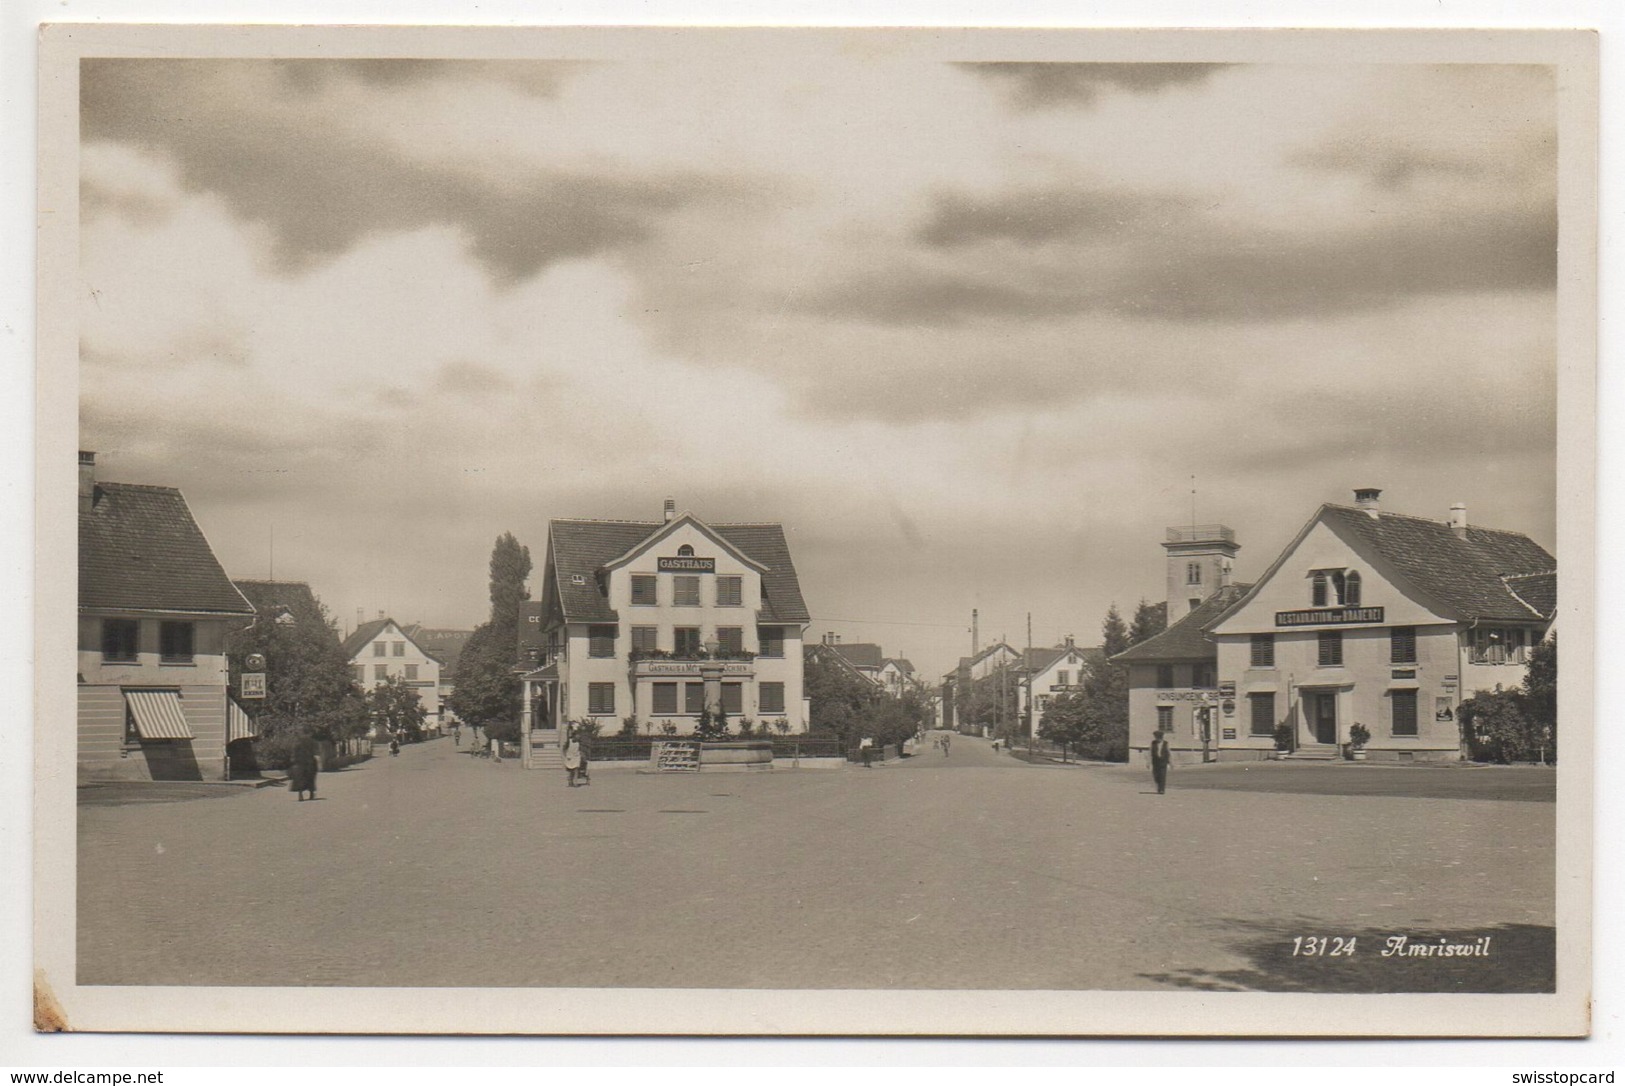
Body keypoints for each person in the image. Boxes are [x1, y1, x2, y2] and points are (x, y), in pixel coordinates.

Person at [289, 733, 319, 802]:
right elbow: (315, 751)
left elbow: (293, 755)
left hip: (300, 763)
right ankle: (310, 793)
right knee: (310, 778)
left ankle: (301, 794)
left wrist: (293, 761)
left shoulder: (297, 743)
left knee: (300, 779)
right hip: (309, 762)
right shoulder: (311, 742)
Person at [1149, 729, 1171, 795]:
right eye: (1155, 737)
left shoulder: (1166, 743)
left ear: (1161, 737)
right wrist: (1148, 762)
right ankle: (1159, 787)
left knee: (1162, 775)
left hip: (1163, 761)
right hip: (1155, 761)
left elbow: (1169, 752)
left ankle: (1162, 789)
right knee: (1156, 775)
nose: (1157, 739)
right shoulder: (1153, 743)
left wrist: (1171, 762)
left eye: (1158, 737)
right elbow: (1150, 752)